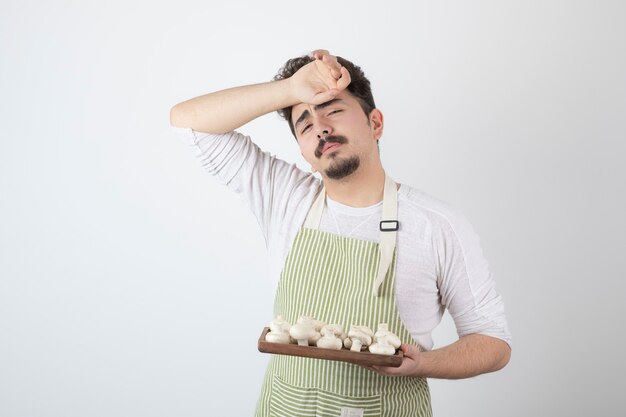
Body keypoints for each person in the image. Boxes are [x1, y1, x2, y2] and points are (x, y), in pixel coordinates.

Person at [170, 49, 511, 416]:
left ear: (375, 123)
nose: (320, 127)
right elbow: (186, 120)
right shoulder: (283, 195)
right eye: (304, 123)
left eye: (333, 110)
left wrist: (422, 365)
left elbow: (493, 342)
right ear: (303, 151)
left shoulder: (438, 225)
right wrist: (290, 89)